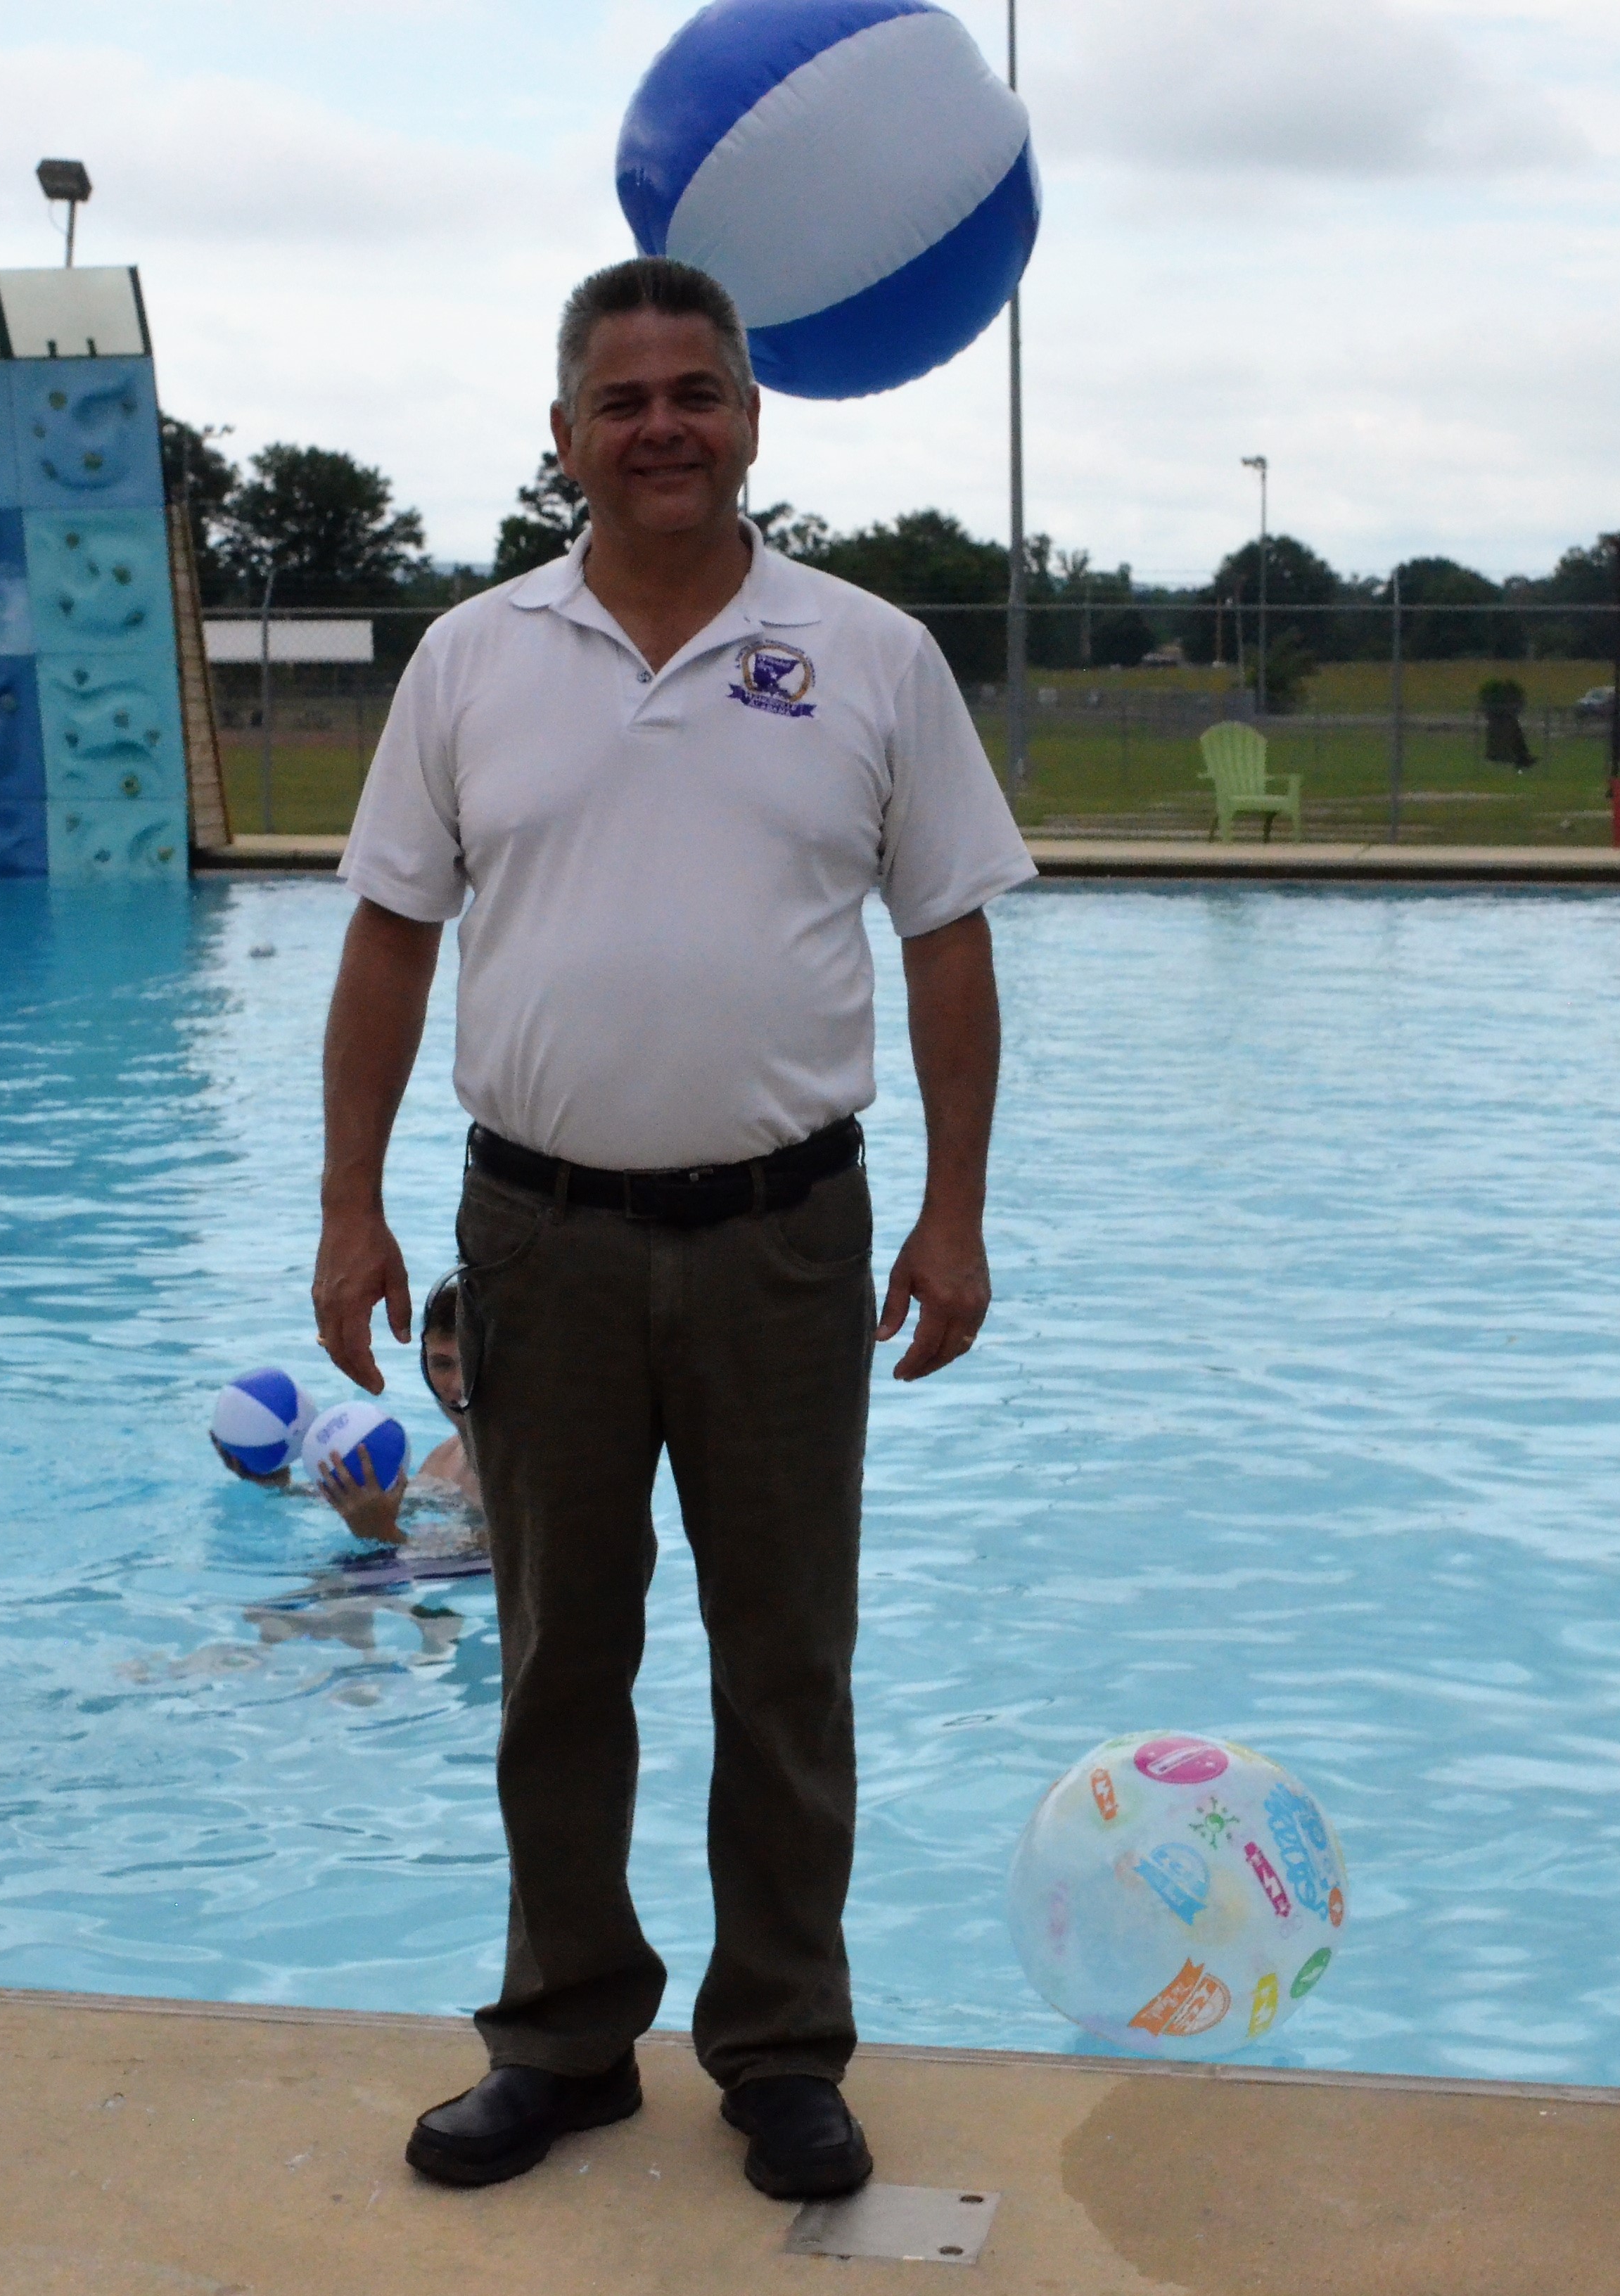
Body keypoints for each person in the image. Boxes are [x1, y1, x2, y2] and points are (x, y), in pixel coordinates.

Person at [315, 255, 1029, 2200]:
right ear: (562, 434)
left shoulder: (872, 654)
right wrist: (347, 1209)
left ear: (749, 420)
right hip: (534, 1235)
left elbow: (946, 939)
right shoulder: (471, 659)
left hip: (786, 1236)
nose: (660, 427)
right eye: (621, 398)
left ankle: (782, 2046)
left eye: (694, 393)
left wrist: (955, 1214)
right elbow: (389, 939)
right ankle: (563, 2033)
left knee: (785, 1658)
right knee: (556, 1653)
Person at [314, 1273, 483, 1550]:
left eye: (472, 1363)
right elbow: (392, 1500)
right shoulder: (446, 1460)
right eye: (442, 1364)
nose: (458, 1385)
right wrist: (277, 1486)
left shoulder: (529, 1478)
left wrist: (382, 1535)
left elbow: (493, 1565)